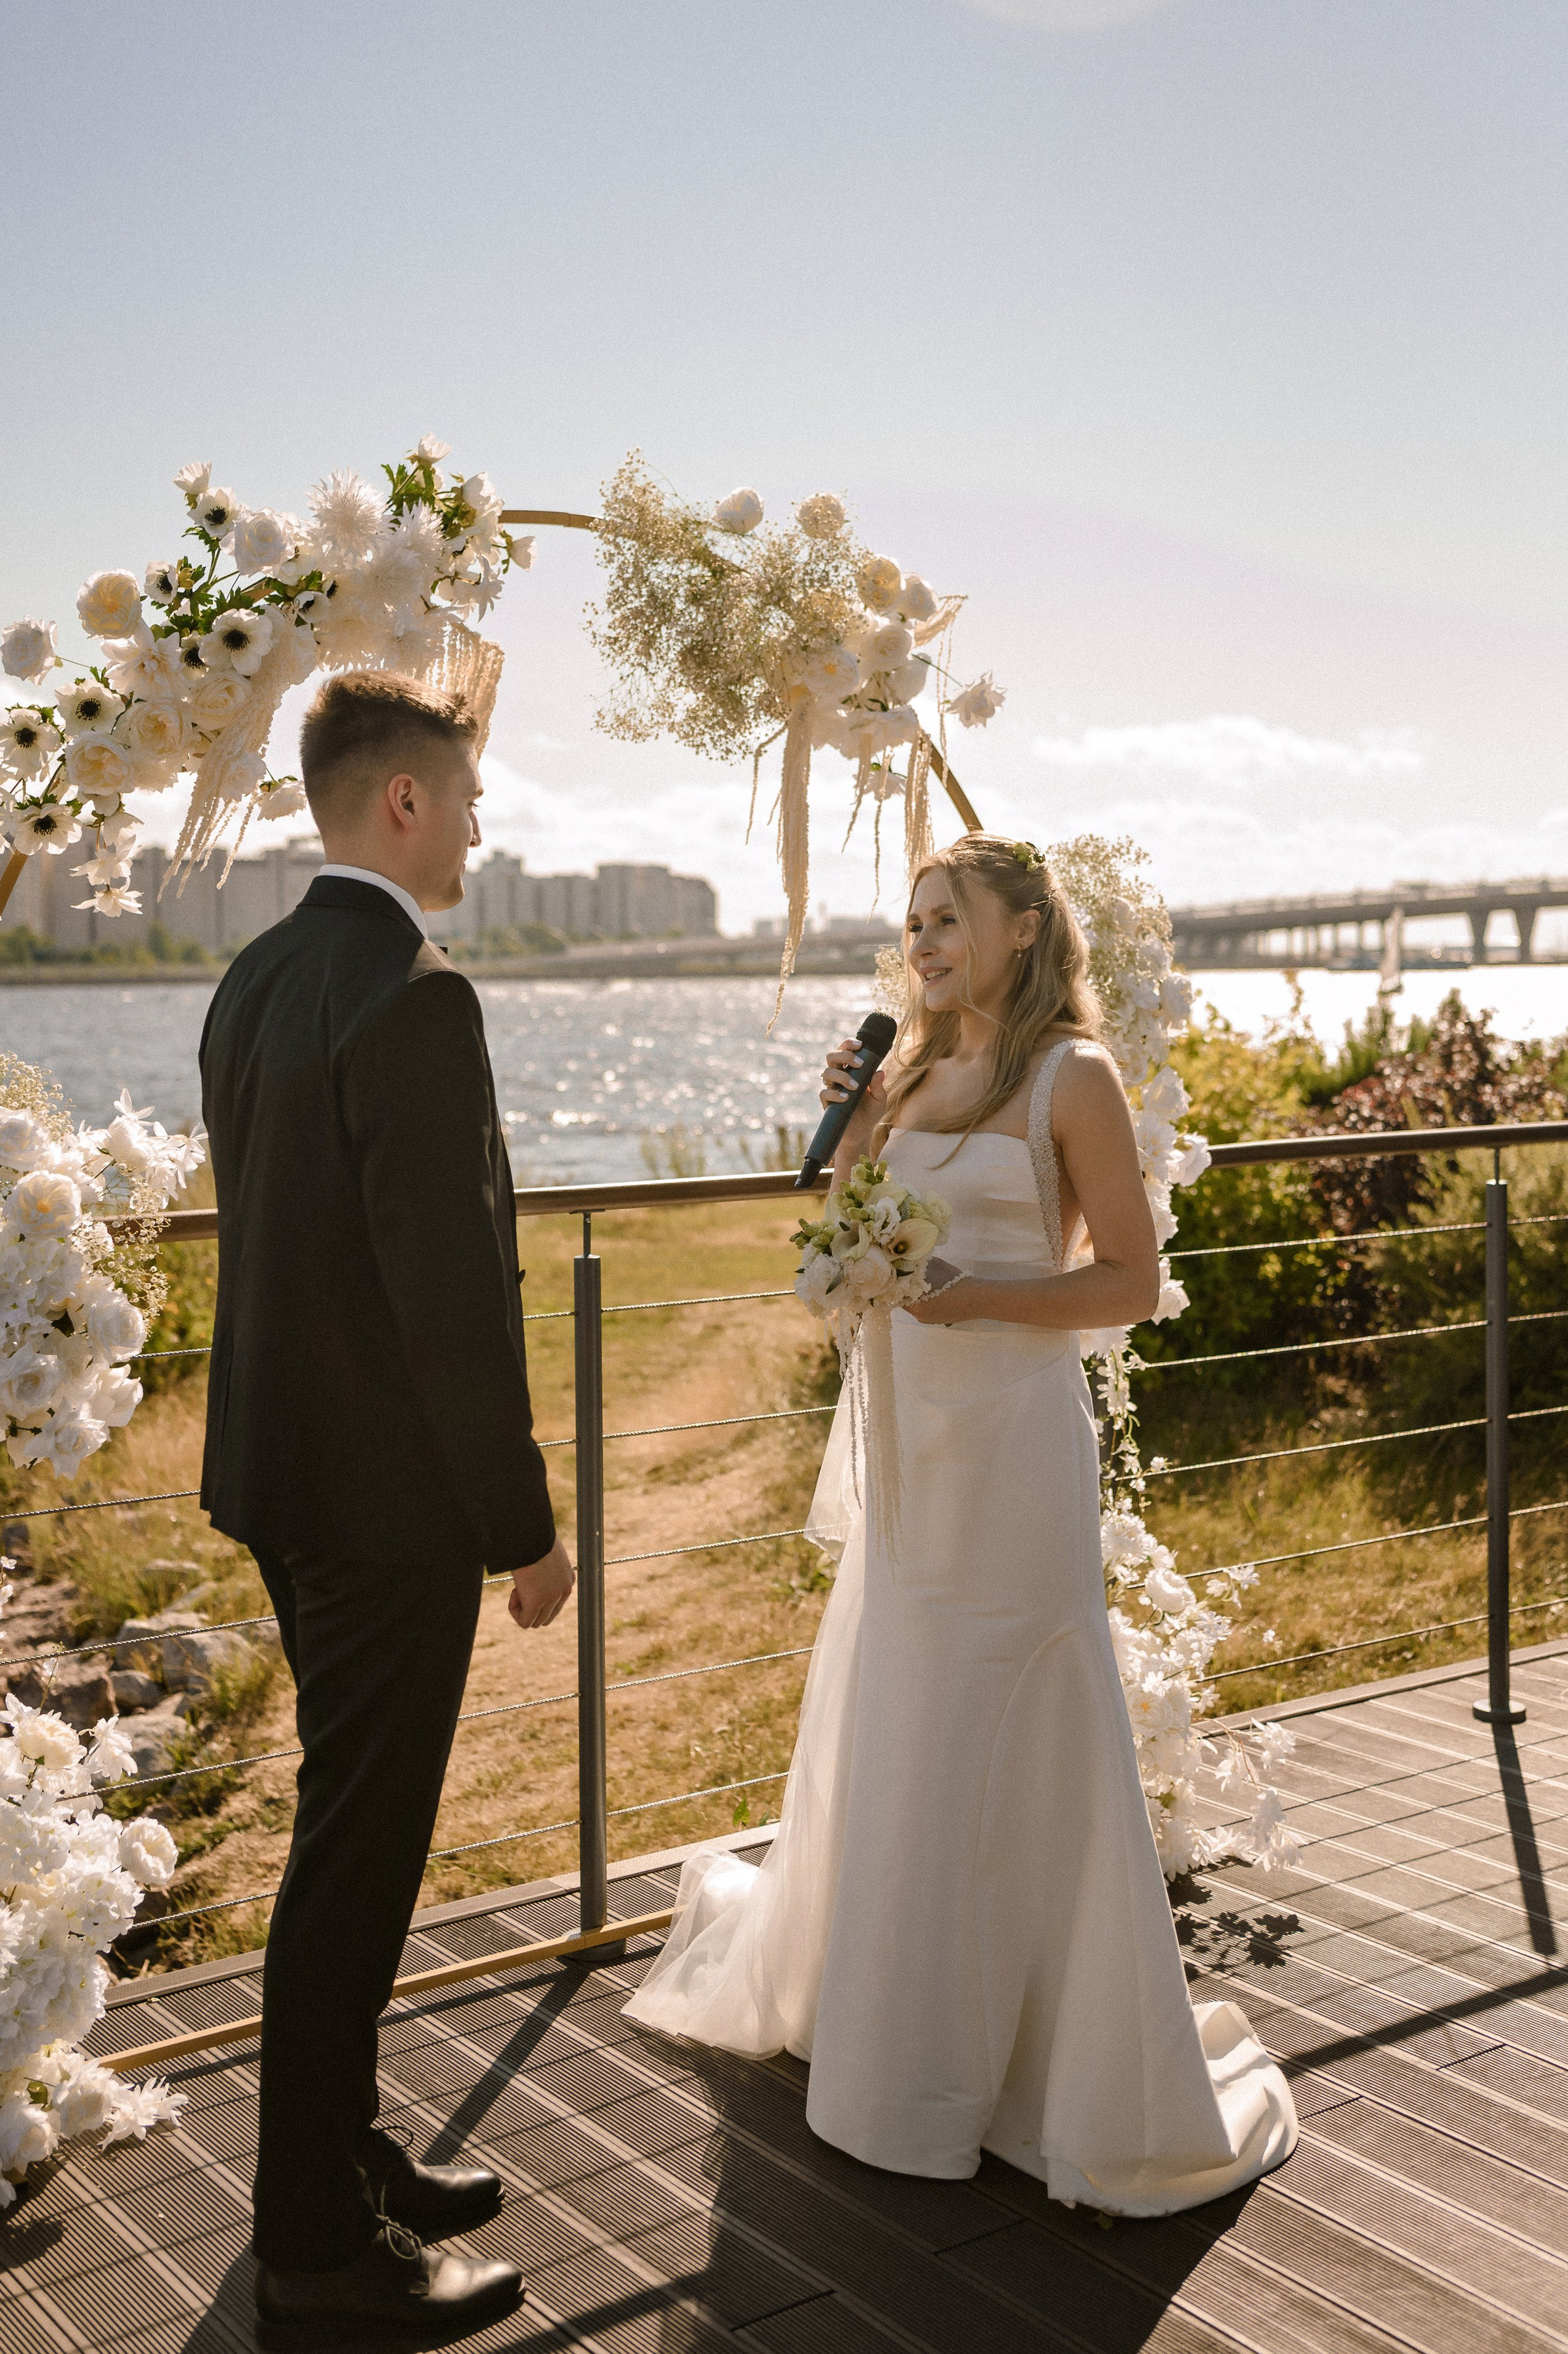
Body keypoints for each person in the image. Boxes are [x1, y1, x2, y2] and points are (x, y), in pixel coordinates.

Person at [627, 834, 1297, 2215]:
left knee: (1006, 1711)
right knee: (908, 1709)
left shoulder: (1072, 1073)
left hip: (1009, 1452)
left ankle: (1036, 2055)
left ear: (1017, 929)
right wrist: (849, 1123)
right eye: (912, 918)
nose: (921, 939)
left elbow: (1124, 1280)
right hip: (911, 1451)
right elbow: (846, 1228)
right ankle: (889, 2035)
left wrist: (976, 1295)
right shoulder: (911, 1073)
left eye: (948, 917)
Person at [198, 667, 575, 2338]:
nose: (483, 827)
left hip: (281, 1483)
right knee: (355, 1861)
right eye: (470, 797)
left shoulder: (254, 978)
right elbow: (448, 1297)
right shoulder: (418, 991)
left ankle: (341, 2151)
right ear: (401, 802)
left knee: (347, 1834)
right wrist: (523, 1520)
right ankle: (317, 2255)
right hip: (382, 1510)